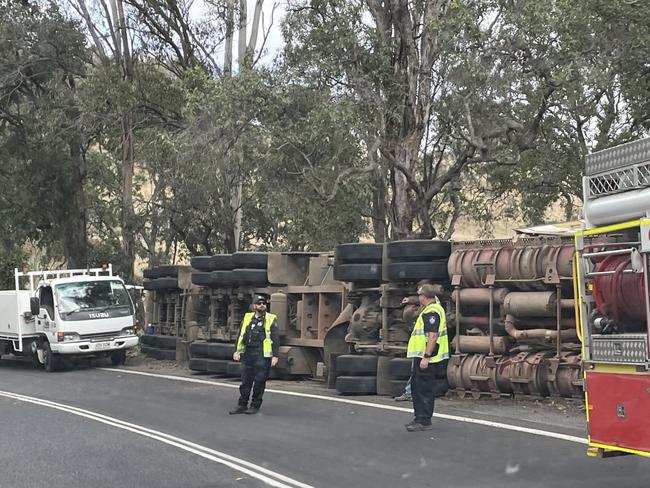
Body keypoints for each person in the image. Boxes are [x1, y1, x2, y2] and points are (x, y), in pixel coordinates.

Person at [404, 284, 448, 432]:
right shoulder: (434, 308)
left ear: (424, 297)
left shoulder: (431, 312)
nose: (419, 297)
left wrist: (426, 357)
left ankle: (423, 420)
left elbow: (433, 336)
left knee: (422, 389)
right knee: (418, 388)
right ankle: (419, 418)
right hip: (425, 356)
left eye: (419, 295)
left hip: (428, 357)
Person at [229, 294, 280, 415]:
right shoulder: (247, 318)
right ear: (253, 306)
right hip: (248, 353)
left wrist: (275, 356)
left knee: (259, 381)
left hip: (262, 354)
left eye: (264, 303)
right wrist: (237, 350)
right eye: (259, 303)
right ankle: (242, 405)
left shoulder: (270, 319)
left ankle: (255, 405)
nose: (262, 305)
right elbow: (241, 335)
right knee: (245, 381)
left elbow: (275, 338)